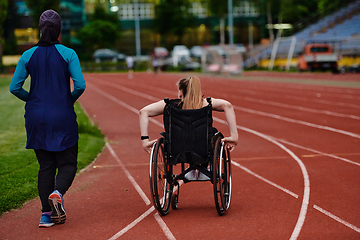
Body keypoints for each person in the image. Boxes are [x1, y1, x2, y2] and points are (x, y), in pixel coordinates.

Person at [9, 9, 86, 228]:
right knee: (68, 162)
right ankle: (57, 193)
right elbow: (80, 85)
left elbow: (15, 87)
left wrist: (32, 99)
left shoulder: (27, 55)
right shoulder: (68, 53)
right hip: (62, 114)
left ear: (40, 30)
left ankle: (45, 216)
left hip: (35, 117)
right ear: (59, 30)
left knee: (45, 166)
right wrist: (69, 99)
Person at [139, 76, 238, 180]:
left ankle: (192, 170)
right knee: (212, 133)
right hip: (203, 148)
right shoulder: (206, 103)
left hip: (176, 150)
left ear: (180, 92)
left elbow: (143, 112)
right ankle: (204, 167)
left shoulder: (169, 105)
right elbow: (228, 106)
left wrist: (145, 141)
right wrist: (234, 137)